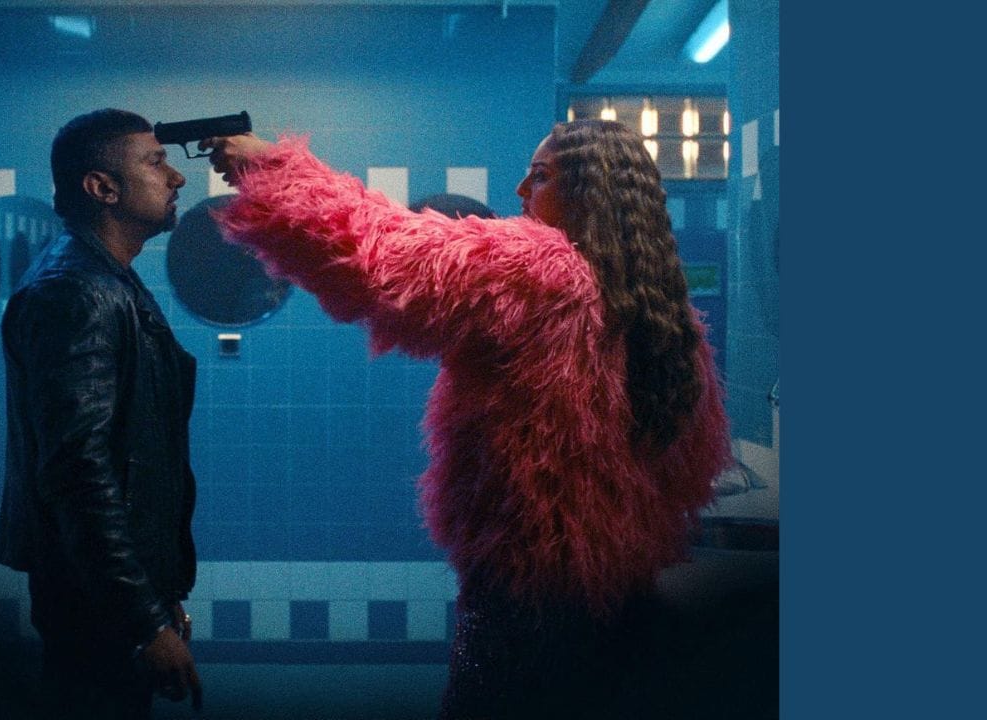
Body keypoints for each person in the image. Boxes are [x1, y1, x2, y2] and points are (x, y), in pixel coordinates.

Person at [202, 120, 732, 718]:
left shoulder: (544, 270)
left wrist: (271, 168)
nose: (520, 190)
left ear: (589, 190)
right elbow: (690, 470)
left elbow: (378, 255)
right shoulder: (670, 318)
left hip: (527, 588)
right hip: (623, 590)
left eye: (540, 176)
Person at [0, 108, 202, 719]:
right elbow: (78, 471)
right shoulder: (77, 291)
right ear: (102, 187)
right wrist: (142, 621)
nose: (177, 177)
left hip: (106, 599)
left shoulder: (108, 280)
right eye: (156, 163)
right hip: (95, 608)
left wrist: (154, 594)